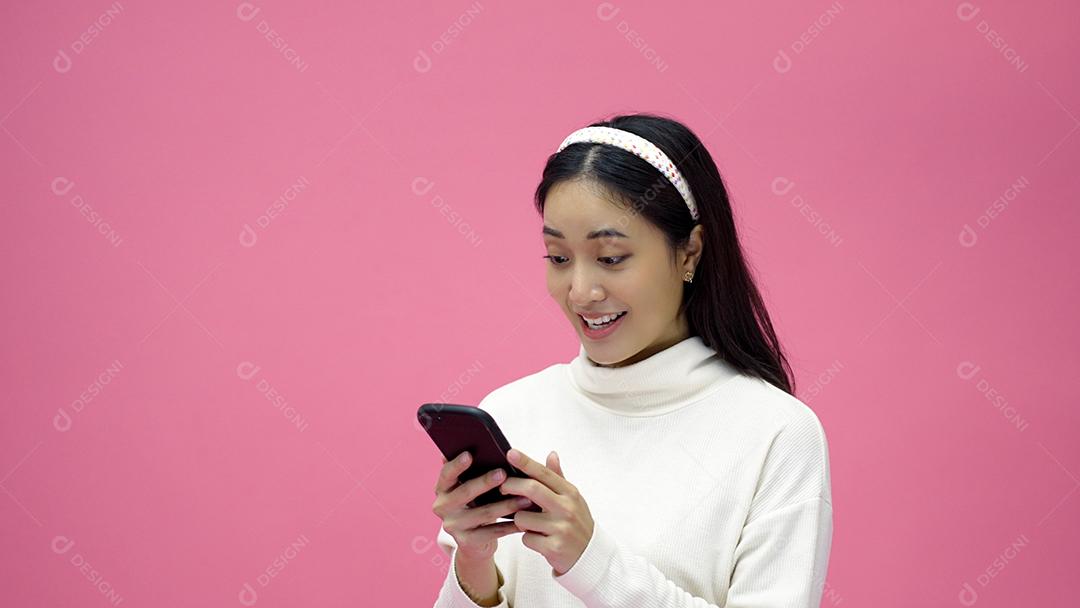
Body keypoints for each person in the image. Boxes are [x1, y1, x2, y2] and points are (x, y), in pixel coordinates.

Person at [429, 113, 833, 607]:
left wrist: (591, 561)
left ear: (689, 252)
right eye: (558, 258)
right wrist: (473, 566)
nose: (581, 291)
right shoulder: (512, 413)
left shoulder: (777, 434)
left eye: (611, 258)